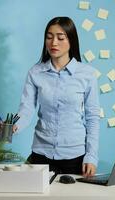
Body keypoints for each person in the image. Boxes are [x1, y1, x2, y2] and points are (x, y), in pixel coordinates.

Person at [14, 16, 100, 177]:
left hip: (75, 157)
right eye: (49, 37)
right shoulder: (35, 72)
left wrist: (91, 156)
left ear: (71, 41)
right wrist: (12, 127)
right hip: (41, 154)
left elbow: (93, 117)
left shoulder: (87, 74)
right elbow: (26, 109)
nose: (54, 43)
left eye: (60, 38)